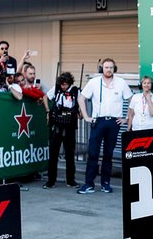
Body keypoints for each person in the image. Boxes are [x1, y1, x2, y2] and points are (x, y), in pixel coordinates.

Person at [77, 58, 132, 194]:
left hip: (114, 122)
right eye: (106, 67)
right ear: (102, 68)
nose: (109, 70)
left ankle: (105, 183)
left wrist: (126, 118)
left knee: (108, 154)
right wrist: (86, 116)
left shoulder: (121, 82)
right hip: (98, 121)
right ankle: (89, 184)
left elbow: (132, 100)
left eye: (111, 67)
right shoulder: (94, 82)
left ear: (115, 68)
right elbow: (81, 98)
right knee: (93, 153)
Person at [44, 72, 80, 189]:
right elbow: (45, 96)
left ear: (69, 83)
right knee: (53, 153)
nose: (63, 86)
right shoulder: (56, 89)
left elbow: (81, 102)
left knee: (70, 153)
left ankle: (71, 180)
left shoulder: (75, 91)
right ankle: (51, 181)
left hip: (69, 125)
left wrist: (80, 113)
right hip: (57, 124)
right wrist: (48, 111)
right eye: (62, 84)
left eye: (65, 84)